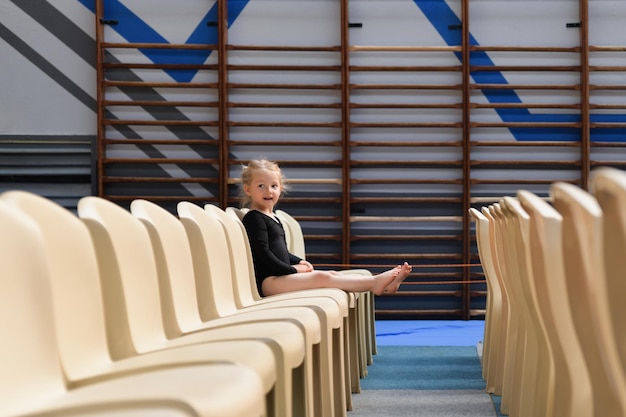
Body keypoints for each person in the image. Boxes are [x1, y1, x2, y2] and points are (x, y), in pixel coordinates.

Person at [240, 158, 412, 297]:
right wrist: (294, 269)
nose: (268, 191)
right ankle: (375, 284)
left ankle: (387, 285)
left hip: (281, 277)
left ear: (280, 189)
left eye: (273, 186)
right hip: (270, 282)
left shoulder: (273, 218)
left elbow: (281, 251)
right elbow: (264, 255)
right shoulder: (254, 218)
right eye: (261, 186)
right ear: (248, 189)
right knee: (323, 277)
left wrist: (297, 260)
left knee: (332, 274)